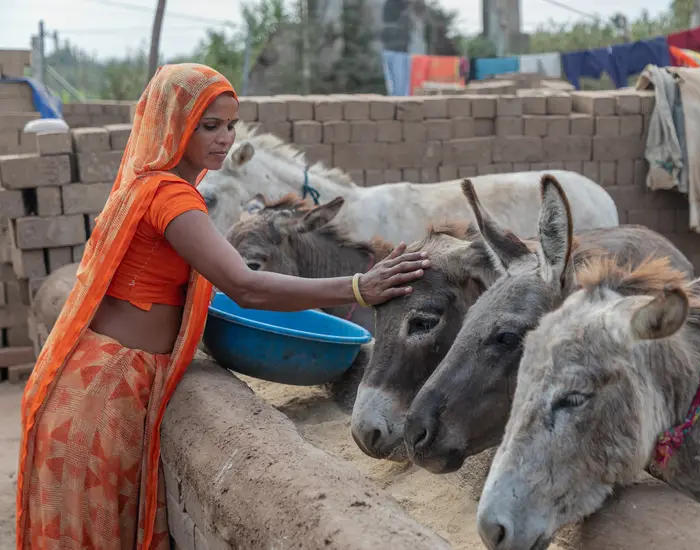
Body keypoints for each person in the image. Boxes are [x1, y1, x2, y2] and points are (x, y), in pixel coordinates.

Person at [16, 63, 431, 550]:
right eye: (209, 125)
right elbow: (245, 287)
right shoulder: (170, 197)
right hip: (107, 391)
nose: (225, 138)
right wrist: (359, 287)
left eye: (231, 125)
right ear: (174, 124)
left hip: (92, 380)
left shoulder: (146, 184)